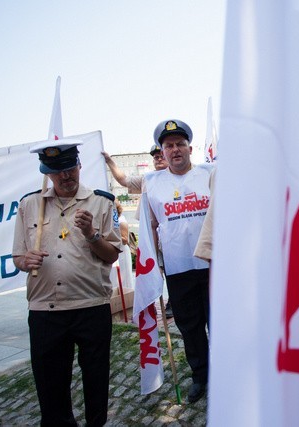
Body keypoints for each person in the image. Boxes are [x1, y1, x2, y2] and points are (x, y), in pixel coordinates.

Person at [12, 139, 122, 426]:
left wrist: (91, 233)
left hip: (91, 306)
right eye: (57, 170)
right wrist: (26, 261)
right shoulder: (28, 205)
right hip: (45, 311)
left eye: (70, 168)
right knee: (50, 387)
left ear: (79, 165)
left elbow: (111, 256)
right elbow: (18, 257)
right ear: (47, 172)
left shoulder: (101, 202)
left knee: (96, 378)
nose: (65, 176)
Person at [144, 119, 213, 403]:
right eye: (169, 145)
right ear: (162, 151)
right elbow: (148, 230)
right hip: (178, 269)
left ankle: (228, 373)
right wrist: (151, 269)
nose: (175, 150)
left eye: (180, 144)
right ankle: (201, 376)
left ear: (190, 148)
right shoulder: (152, 184)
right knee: (190, 327)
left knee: (220, 323)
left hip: (213, 266)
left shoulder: (211, 174)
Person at [102, 147, 174, 318]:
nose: (157, 159)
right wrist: (109, 161)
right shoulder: (147, 179)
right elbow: (123, 180)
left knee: (173, 271)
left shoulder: (178, 177)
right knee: (155, 270)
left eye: (160, 155)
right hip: (152, 235)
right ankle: (156, 303)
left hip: (172, 234)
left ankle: (174, 302)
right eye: (155, 157)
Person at [114, 200, 134, 289]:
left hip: (122, 254)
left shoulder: (121, 221)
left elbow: (125, 240)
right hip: (115, 252)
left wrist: (111, 235)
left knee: (124, 279)